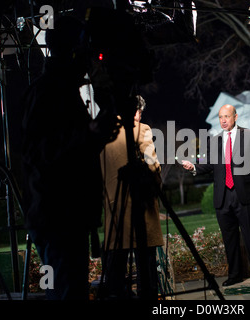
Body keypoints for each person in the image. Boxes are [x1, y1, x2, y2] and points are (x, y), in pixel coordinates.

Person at [21, 16, 120, 300]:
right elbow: (43, 154)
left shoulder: (62, 91)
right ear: (73, 54)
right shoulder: (46, 92)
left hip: (68, 217)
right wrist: (90, 134)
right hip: (57, 219)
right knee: (65, 293)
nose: (91, 63)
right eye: (86, 55)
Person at [182, 104, 250, 286]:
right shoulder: (214, 141)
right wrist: (194, 167)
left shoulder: (249, 135)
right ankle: (235, 275)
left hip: (245, 195)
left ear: (235, 117)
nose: (223, 120)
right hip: (223, 198)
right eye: (220, 117)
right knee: (230, 240)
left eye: (226, 116)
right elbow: (209, 165)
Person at [100, 95, 164, 299]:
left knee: (115, 276)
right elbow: (152, 164)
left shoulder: (104, 133)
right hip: (140, 208)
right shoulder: (141, 129)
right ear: (136, 111)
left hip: (112, 208)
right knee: (147, 272)